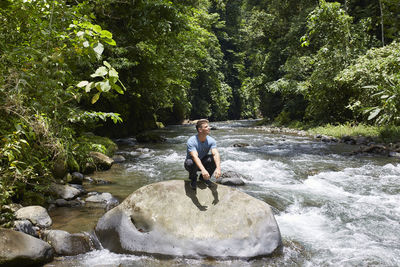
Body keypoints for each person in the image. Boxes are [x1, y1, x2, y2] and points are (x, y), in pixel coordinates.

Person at [184, 119, 221, 190]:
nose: (209, 128)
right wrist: (203, 170)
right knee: (190, 162)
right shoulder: (191, 141)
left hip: (202, 162)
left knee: (212, 158)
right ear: (200, 130)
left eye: (208, 126)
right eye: (206, 127)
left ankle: (203, 178)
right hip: (191, 164)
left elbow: (216, 154)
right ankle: (193, 179)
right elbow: (195, 157)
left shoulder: (211, 140)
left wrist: (218, 168)